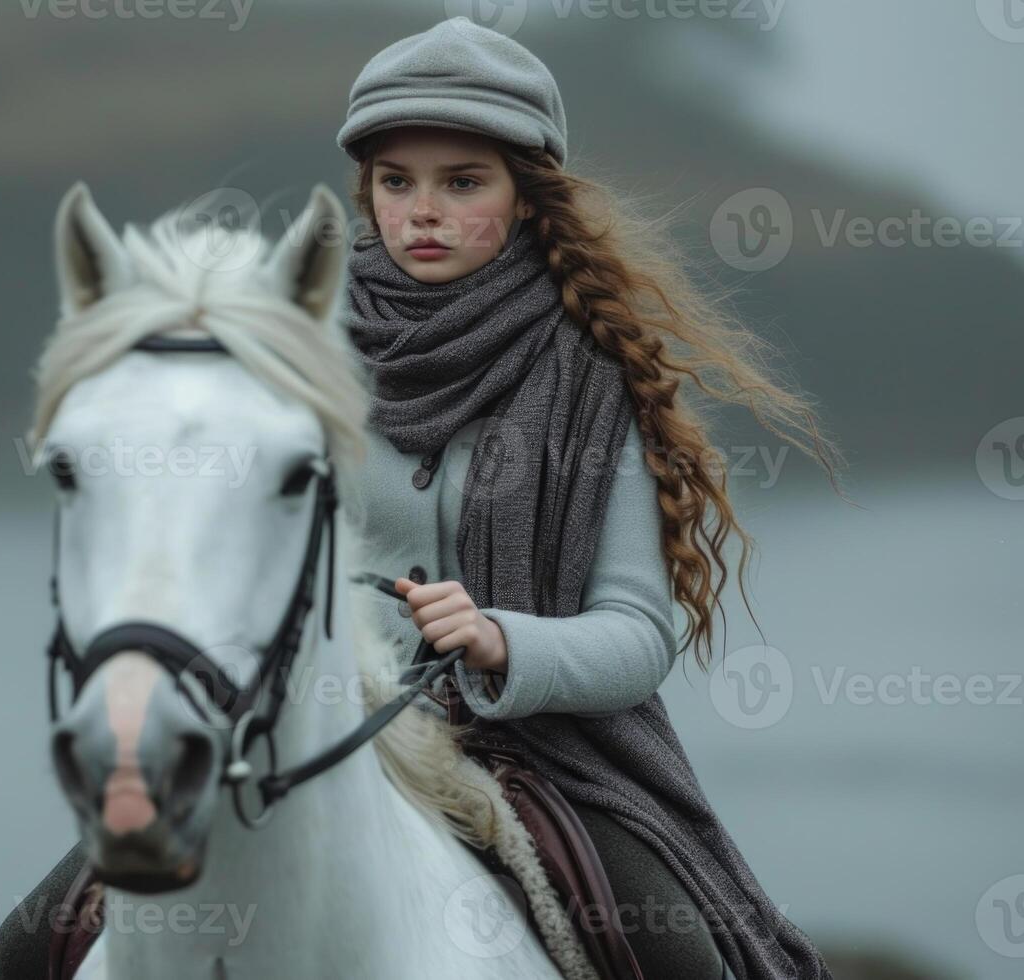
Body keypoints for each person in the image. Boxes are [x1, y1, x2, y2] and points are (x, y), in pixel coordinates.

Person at [331, 16, 845, 980]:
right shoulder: (297, 355)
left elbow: (639, 634)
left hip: (547, 759)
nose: (422, 211)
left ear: (527, 198)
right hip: (317, 737)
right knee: (36, 941)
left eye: (463, 181)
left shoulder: (592, 375)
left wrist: (500, 640)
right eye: (397, 182)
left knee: (687, 962)